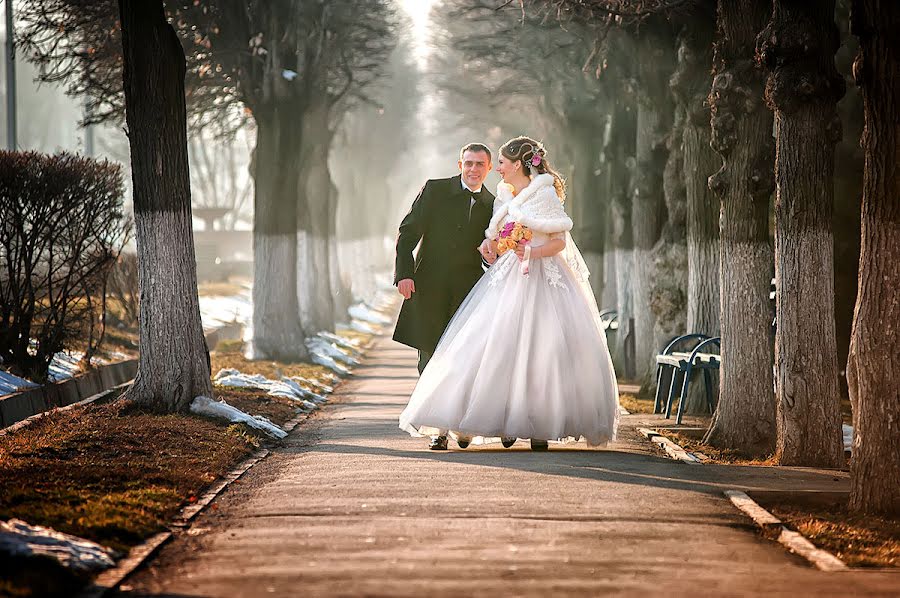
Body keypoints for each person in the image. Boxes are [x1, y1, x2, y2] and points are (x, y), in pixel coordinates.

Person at [399, 136, 619, 450]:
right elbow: (493, 242)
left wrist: (531, 251)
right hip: (497, 281)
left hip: (543, 281)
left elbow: (558, 242)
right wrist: (492, 248)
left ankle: (539, 426)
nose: (495, 170)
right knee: (488, 349)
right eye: (477, 163)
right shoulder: (501, 197)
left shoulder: (543, 195)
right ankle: (466, 423)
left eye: (499, 163)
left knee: (544, 351)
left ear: (516, 164)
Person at [392, 143, 496, 450]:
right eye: (468, 163)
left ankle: (458, 424)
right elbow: (407, 232)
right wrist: (404, 273)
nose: (473, 169)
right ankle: (436, 429)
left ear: (488, 168)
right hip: (430, 287)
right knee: (430, 357)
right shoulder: (435, 190)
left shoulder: (494, 203)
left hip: (470, 293)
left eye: (480, 164)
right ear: (460, 164)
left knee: (464, 360)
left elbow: (496, 249)